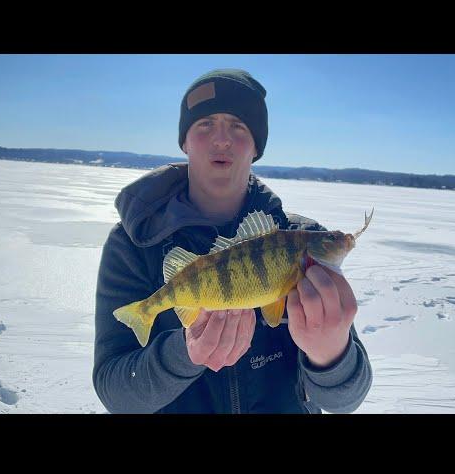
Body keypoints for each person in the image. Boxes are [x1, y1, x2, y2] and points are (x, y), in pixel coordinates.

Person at [93, 68, 372, 413]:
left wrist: (331, 351)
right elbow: (115, 392)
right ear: (185, 141)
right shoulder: (133, 245)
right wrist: (184, 353)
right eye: (205, 124)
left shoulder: (302, 237)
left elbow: (346, 401)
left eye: (239, 126)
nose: (221, 139)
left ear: (256, 146)